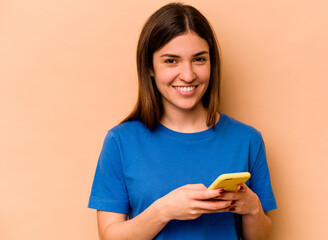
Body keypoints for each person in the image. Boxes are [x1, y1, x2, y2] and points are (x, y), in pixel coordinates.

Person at [88, 2, 277, 239]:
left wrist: (252, 209)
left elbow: (261, 235)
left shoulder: (247, 140)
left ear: (212, 63)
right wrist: (164, 210)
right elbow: (109, 236)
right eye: (171, 61)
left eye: (199, 59)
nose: (188, 75)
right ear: (150, 67)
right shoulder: (121, 141)